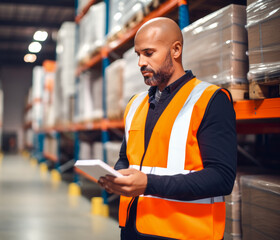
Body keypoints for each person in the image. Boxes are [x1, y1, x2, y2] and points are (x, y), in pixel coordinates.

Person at [98, 17, 237, 240]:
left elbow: (221, 178)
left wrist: (147, 184)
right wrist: (118, 177)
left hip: (184, 232)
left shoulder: (210, 100)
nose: (140, 63)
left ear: (176, 50)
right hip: (133, 228)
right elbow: (127, 158)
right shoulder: (135, 104)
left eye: (149, 53)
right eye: (138, 55)